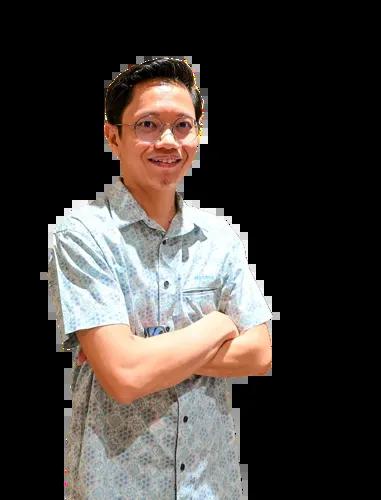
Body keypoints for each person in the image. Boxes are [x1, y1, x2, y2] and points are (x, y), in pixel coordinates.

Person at [48, 57, 272, 499]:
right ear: (113, 135)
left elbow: (260, 352)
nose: (168, 141)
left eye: (183, 126)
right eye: (148, 125)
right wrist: (216, 326)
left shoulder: (219, 237)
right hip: (116, 485)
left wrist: (144, 354)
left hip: (210, 484)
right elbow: (125, 377)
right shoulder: (83, 234)